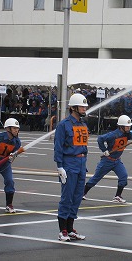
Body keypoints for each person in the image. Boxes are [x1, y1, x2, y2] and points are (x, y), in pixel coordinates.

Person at [83, 115, 132, 204]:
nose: (128, 127)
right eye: (127, 126)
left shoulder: (128, 133)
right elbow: (100, 139)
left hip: (117, 160)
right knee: (96, 178)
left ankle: (117, 196)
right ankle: (82, 193)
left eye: (129, 126)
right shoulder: (113, 135)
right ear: (121, 126)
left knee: (123, 176)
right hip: (107, 160)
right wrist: (104, 150)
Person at [54, 93, 89, 242]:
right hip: (69, 164)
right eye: (82, 106)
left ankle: (70, 228)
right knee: (67, 198)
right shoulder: (63, 125)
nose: (84, 109)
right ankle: (62, 230)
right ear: (73, 107)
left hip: (81, 164)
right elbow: (58, 147)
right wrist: (60, 166)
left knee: (77, 198)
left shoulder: (83, 124)